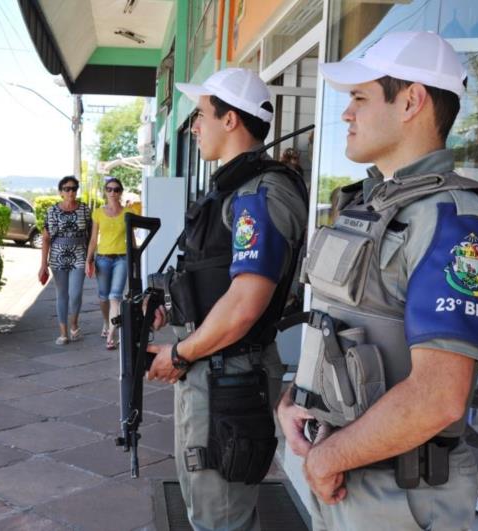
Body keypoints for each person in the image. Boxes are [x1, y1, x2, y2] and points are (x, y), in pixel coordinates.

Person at [276, 31, 478, 530]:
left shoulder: (456, 220)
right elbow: (336, 325)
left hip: (399, 494)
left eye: (359, 98)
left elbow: (438, 395)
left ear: (410, 101)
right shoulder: (367, 203)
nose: (346, 114)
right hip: (345, 468)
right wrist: (296, 401)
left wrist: (325, 459)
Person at [145, 68, 308, 530]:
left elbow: (243, 306)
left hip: (229, 375)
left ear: (231, 119)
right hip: (212, 368)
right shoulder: (234, 189)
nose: (195, 126)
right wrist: (168, 307)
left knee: (221, 518)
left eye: (201, 115)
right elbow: (212, 277)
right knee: (207, 505)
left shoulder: (261, 192)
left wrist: (179, 353)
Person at [38, 176, 92, 345]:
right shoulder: (52, 211)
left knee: (75, 294)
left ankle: (74, 325)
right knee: (62, 295)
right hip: (57, 256)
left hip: (79, 255)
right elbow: (46, 238)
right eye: (67, 189)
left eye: (74, 188)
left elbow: (91, 237)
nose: (71, 192)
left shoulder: (84, 210)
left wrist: (91, 259)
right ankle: (63, 333)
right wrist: (43, 265)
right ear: (60, 192)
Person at [85, 177, 135, 350]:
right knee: (103, 296)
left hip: (122, 258)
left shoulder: (129, 212)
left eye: (116, 189)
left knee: (116, 296)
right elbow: (93, 239)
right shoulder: (98, 213)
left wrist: (135, 258)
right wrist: (88, 259)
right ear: (105, 191)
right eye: (109, 189)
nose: (112, 192)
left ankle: (112, 334)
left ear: (120, 192)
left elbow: (132, 238)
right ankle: (106, 322)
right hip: (103, 259)